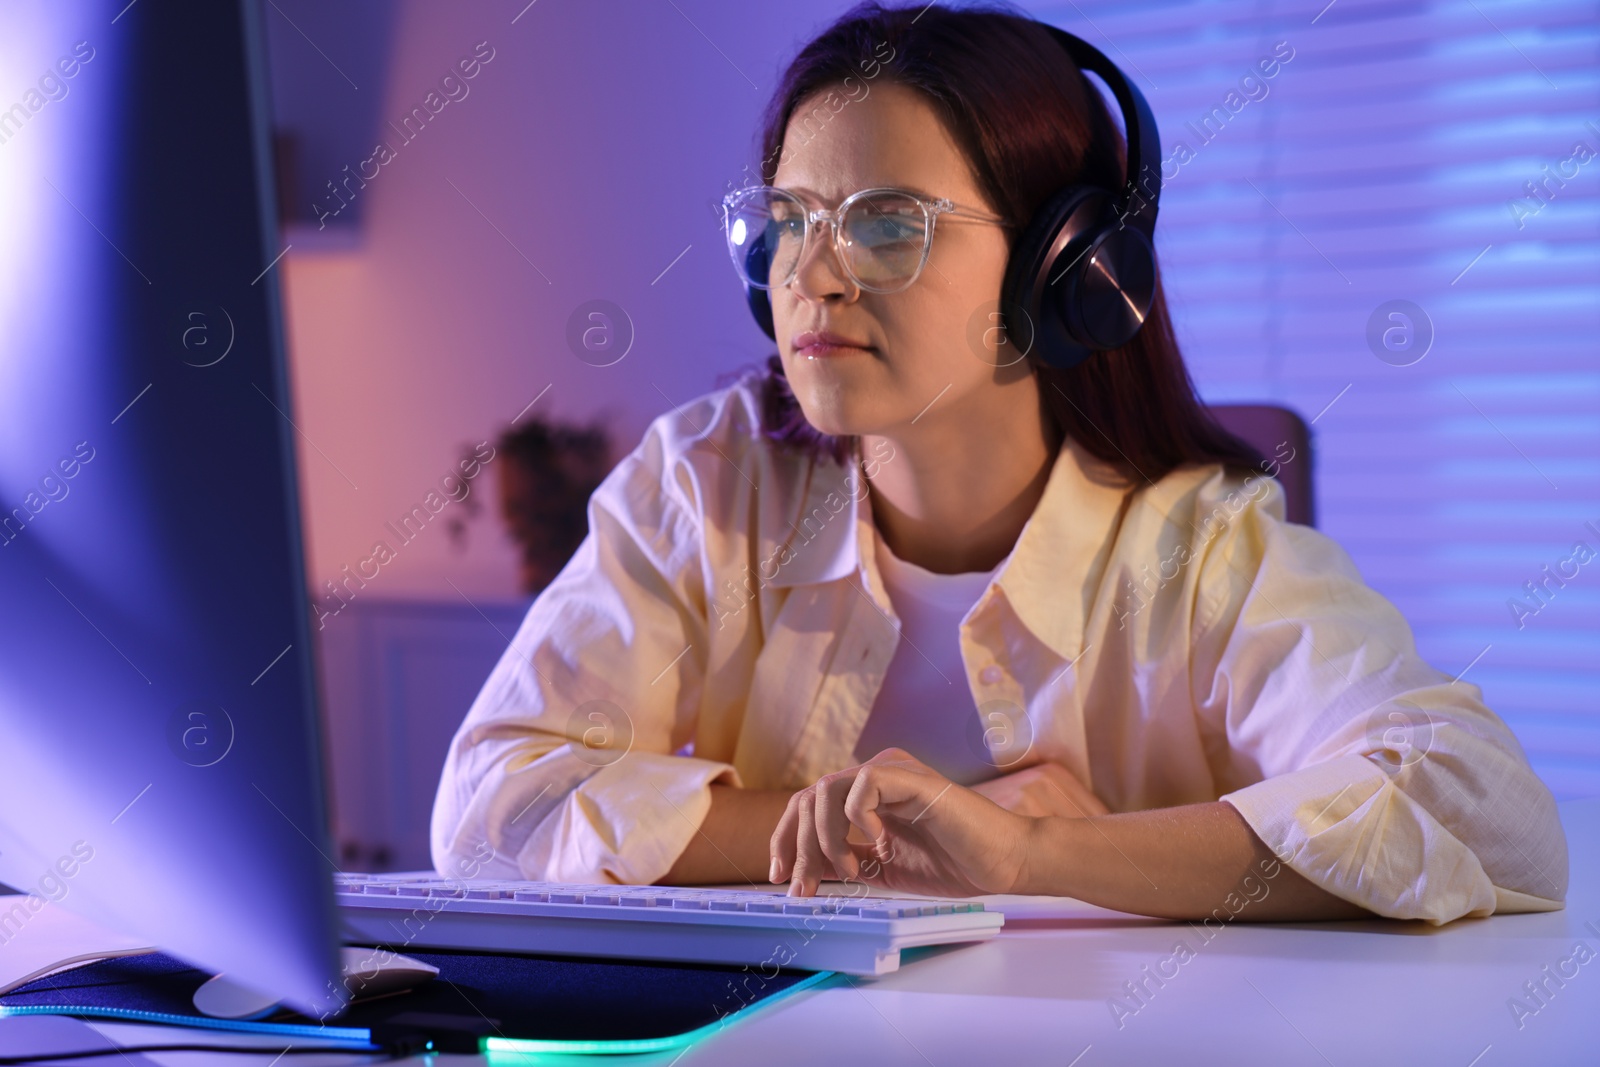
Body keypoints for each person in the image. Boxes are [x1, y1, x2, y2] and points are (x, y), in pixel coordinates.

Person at [431, 1, 1566, 924]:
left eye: (884, 223)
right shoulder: (706, 483)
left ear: (1062, 268)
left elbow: (1482, 808)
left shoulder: (1198, 548)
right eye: (790, 220)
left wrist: (1037, 853)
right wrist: (856, 833)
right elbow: (485, 808)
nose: (812, 278)